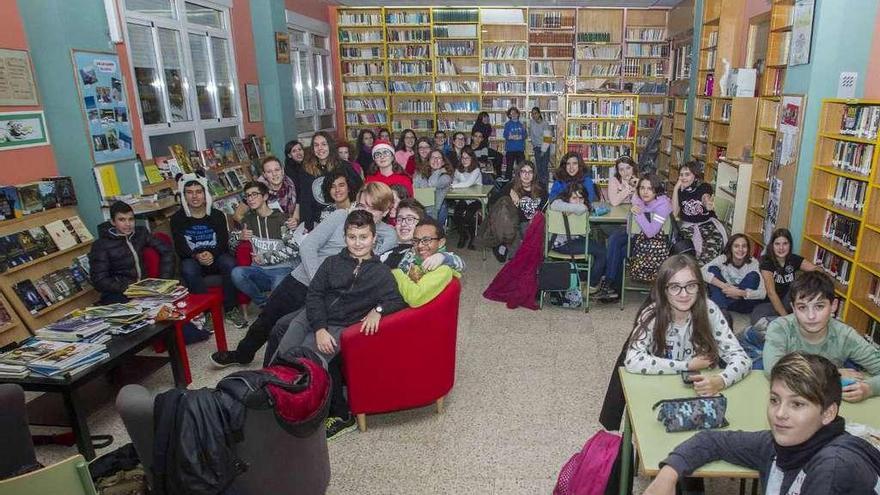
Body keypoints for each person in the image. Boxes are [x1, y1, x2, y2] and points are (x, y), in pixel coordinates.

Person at [210, 182, 398, 367]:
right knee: (268, 319)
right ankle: (243, 354)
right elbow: (308, 246)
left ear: (385, 211)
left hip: (335, 296)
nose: (364, 212)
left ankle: (278, 372)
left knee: (288, 329)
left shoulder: (387, 234)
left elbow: (379, 264)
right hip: (304, 279)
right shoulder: (341, 216)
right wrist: (320, 281)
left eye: (373, 209)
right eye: (361, 205)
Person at [644, 352, 880, 495]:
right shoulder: (782, 443)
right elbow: (712, 440)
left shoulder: (833, 469)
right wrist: (668, 476)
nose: (780, 414)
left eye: (797, 404)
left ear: (828, 413)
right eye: (775, 400)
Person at [268, 210, 407, 440]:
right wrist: (319, 327)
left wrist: (378, 310)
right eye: (352, 237)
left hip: (341, 326)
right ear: (345, 237)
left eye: (363, 237)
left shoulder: (380, 273)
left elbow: (396, 300)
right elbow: (314, 295)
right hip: (312, 317)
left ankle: (301, 415)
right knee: (283, 356)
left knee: (306, 362)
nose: (358, 243)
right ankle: (273, 401)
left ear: (374, 238)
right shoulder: (332, 263)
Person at [625, 254, 751, 396]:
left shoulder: (709, 310)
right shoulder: (652, 314)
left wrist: (720, 380)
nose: (684, 294)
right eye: (674, 287)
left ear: (699, 287)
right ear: (663, 290)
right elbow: (632, 360)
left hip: (701, 389)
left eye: (691, 285)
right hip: (660, 386)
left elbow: (742, 359)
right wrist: (687, 366)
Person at [762, 271, 880, 401]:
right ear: (793, 308)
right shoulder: (779, 327)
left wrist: (869, 389)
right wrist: (834, 373)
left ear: (834, 306)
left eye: (819, 306)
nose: (811, 316)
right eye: (802, 307)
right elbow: (773, 370)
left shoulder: (846, 335)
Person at [170, 174, 246, 327]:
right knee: (187, 267)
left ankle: (231, 309)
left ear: (205, 194)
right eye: (190, 192)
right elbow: (180, 247)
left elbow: (223, 242)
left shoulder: (217, 215)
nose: (195, 196)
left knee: (229, 262)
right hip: (193, 259)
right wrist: (197, 256)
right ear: (184, 196)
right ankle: (207, 312)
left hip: (216, 257)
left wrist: (212, 254)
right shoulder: (177, 219)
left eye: (198, 191)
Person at [599, 173, 672, 302]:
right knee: (615, 240)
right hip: (636, 237)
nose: (645, 192)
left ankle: (611, 285)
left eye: (650, 188)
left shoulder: (663, 205)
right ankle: (611, 283)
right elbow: (634, 200)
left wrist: (638, 214)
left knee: (620, 250)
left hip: (652, 244)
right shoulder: (639, 199)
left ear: (657, 189)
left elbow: (651, 232)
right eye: (642, 188)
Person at [89, 201, 174, 304]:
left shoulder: (140, 234)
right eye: (122, 220)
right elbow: (99, 280)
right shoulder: (101, 245)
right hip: (119, 292)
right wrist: (131, 289)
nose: (128, 224)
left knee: (172, 306)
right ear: (112, 221)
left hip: (145, 288)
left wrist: (163, 281)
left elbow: (166, 251)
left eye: (131, 219)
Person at [230, 182, 294, 307]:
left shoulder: (280, 219)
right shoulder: (248, 220)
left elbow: (293, 249)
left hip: (281, 269)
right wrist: (239, 236)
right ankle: (262, 302)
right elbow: (231, 246)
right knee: (236, 273)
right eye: (248, 196)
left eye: (254, 194)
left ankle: (272, 308)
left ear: (265, 197)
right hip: (259, 270)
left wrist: (265, 258)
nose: (250, 198)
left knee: (278, 289)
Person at [293, 131, 363, 231]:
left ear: (330, 146)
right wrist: (307, 226)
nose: (320, 148)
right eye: (316, 145)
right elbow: (305, 200)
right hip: (317, 221)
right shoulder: (306, 170)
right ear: (312, 149)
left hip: (344, 217)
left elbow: (359, 189)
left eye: (324, 144)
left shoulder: (343, 166)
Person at [549, 182, 607, 297]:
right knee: (602, 252)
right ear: (567, 197)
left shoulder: (572, 206)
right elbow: (554, 204)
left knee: (598, 242)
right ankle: (592, 286)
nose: (578, 201)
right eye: (574, 198)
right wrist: (581, 207)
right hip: (562, 244)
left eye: (581, 198)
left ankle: (586, 277)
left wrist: (575, 208)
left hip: (571, 241)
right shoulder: (560, 203)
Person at [751, 228, 818, 323]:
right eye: (777, 244)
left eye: (785, 244)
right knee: (757, 319)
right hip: (769, 303)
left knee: (805, 281)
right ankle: (787, 321)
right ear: (772, 245)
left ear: (790, 245)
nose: (781, 248)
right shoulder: (766, 261)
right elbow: (771, 293)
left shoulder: (793, 259)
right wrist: (786, 318)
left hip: (788, 301)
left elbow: (817, 270)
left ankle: (787, 321)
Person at [392, 217, 462, 308]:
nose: (420, 245)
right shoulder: (412, 254)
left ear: (441, 243)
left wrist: (444, 257)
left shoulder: (442, 267)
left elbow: (461, 264)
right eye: (416, 241)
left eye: (426, 240)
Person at [672, 160, 727, 265]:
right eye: (681, 175)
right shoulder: (680, 191)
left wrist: (707, 203)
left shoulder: (703, 186)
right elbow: (674, 213)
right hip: (688, 225)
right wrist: (675, 189)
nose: (683, 177)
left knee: (710, 252)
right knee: (685, 252)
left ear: (695, 176)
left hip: (707, 224)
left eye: (687, 174)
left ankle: (705, 274)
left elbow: (705, 197)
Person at [493, 161, 546, 262]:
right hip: (516, 222)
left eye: (530, 172)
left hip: (533, 222)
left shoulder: (541, 187)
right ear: (519, 173)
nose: (526, 175)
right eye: (523, 171)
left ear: (534, 174)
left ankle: (533, 259)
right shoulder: (511, 186)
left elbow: (545, 208)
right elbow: (494, 201)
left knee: (532, 229)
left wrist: (537, 216)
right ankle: (515, 259)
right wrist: (509, 192)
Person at [702, 234, 766, 314]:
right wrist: (724, 286)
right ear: (731, 248)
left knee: (754, 276)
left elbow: (763, 293)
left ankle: (719, 307)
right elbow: (700, 272)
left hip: (742, 303)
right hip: (725, 294)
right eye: (736, 246)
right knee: (712, 269)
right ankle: (723, 310)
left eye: (744, 246)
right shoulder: (723, 258)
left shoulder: (754, 263)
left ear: (748, 248)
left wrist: (739, 293)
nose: (740, 249)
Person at [233, 156, 296, 228]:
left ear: (282, 170)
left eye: (277, 170)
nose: (274, 174)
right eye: (269, 172)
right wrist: (255, 229)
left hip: (284, 230)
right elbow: (237, 215)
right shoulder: (256, 189)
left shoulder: (290, 184)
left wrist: (294, 221)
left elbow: (292, 212)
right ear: (264, 175)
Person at [449, 146, 483, 249]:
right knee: (457, 215)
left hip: (476, 199)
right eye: (463, 158)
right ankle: (463, 235)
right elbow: (455, 180)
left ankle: (473, 237)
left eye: (467, 158)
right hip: (463, 198)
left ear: (472, 158)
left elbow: (468, 183)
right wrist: (454, 185)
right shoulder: (458, 169)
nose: (464, 160)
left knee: (469, 216)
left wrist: (453, 186)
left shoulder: (476, 169)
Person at [413, 149, 453, 227]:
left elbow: (431, 184)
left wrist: (438, 171)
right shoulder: (421, 174)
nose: (435, 160)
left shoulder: (446, 177)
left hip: (435, 210)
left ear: (443, 162)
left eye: (439, 158)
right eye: (433, 157)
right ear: (428, 160)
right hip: (420, 207)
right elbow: (415, 187)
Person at [528, 106, 551, 186]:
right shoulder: (532, 122)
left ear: (539, 114)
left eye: (535, 113)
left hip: (545, 147)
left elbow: (547, 139)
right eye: (532, 114)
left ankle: (545, 187)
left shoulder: (545, 124)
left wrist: (543, 150)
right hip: (536, 147)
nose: (534, 115)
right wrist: (535, 146)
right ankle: (540, 186)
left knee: (544, 168)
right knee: (538, 168)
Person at [502, 107, 526, 180]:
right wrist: (511, 137)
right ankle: (507, 185)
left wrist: (520, 136)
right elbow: (505, 135)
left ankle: (520, 183)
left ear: (518, 114)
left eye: (515, 113)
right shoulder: (507, 124)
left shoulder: (521, 124)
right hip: (510, 150)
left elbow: (525, 135)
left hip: (520, 149)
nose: (514, 114)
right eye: (511, 113)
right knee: (509, 168)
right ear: (509, 115)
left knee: (521, 168)